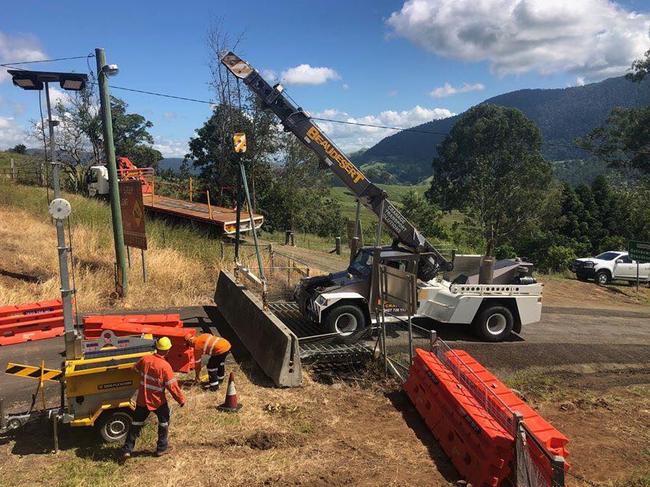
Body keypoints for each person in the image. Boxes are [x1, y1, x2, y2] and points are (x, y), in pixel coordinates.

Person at [122, 337, 185, 460]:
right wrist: (181, 400)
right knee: (164, 422)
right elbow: (172, 386)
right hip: (157, 401)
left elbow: (134, 368)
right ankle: (161, 448)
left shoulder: (145, 359)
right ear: (167, 350)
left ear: (156, 347)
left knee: (136, 423)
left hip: (142, 399)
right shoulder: (165, 366)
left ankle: (127, 450)